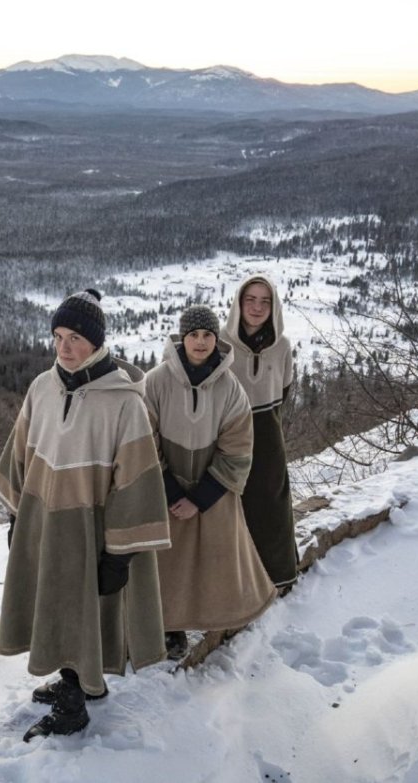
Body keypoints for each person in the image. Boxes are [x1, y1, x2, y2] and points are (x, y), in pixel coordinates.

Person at [0, 289, 170, 742]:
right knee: (55, 604)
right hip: (45, 521)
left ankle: (76, 701)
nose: (63, 347)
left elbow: (137, 482)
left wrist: (120, 556)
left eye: (74, 338)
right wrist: (18, 516)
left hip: (94, 530)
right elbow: (21, 455)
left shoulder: (124, 402)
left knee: (82, 608)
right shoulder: (42, 387)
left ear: (96, 342)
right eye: (57, 336)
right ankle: (73, 677)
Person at [145, 305, 277, 659]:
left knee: (217, 556)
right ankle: (166, 628)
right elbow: (142, 441)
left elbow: (237, 449)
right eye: (193, 335)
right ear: (181, 338)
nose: (200, 342)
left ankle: (213, 616)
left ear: (216, 339)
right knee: (163, 562)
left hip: (211, 487)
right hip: (162, 487)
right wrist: (172, 491)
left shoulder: (231, 389)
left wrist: (201, 497)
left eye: (207, 335)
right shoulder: (155, 382)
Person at [220, 276, 299, 593]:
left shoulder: (281, 346)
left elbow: (284, 388)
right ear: (239, 303)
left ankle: (278, 575)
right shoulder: (221, 343)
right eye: (250, 299)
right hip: (229, 434)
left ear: (274, 306)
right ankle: (237, 581)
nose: (257, 307)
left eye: (265, 301)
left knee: (271, 503)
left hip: (268, 434)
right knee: (233, 506)